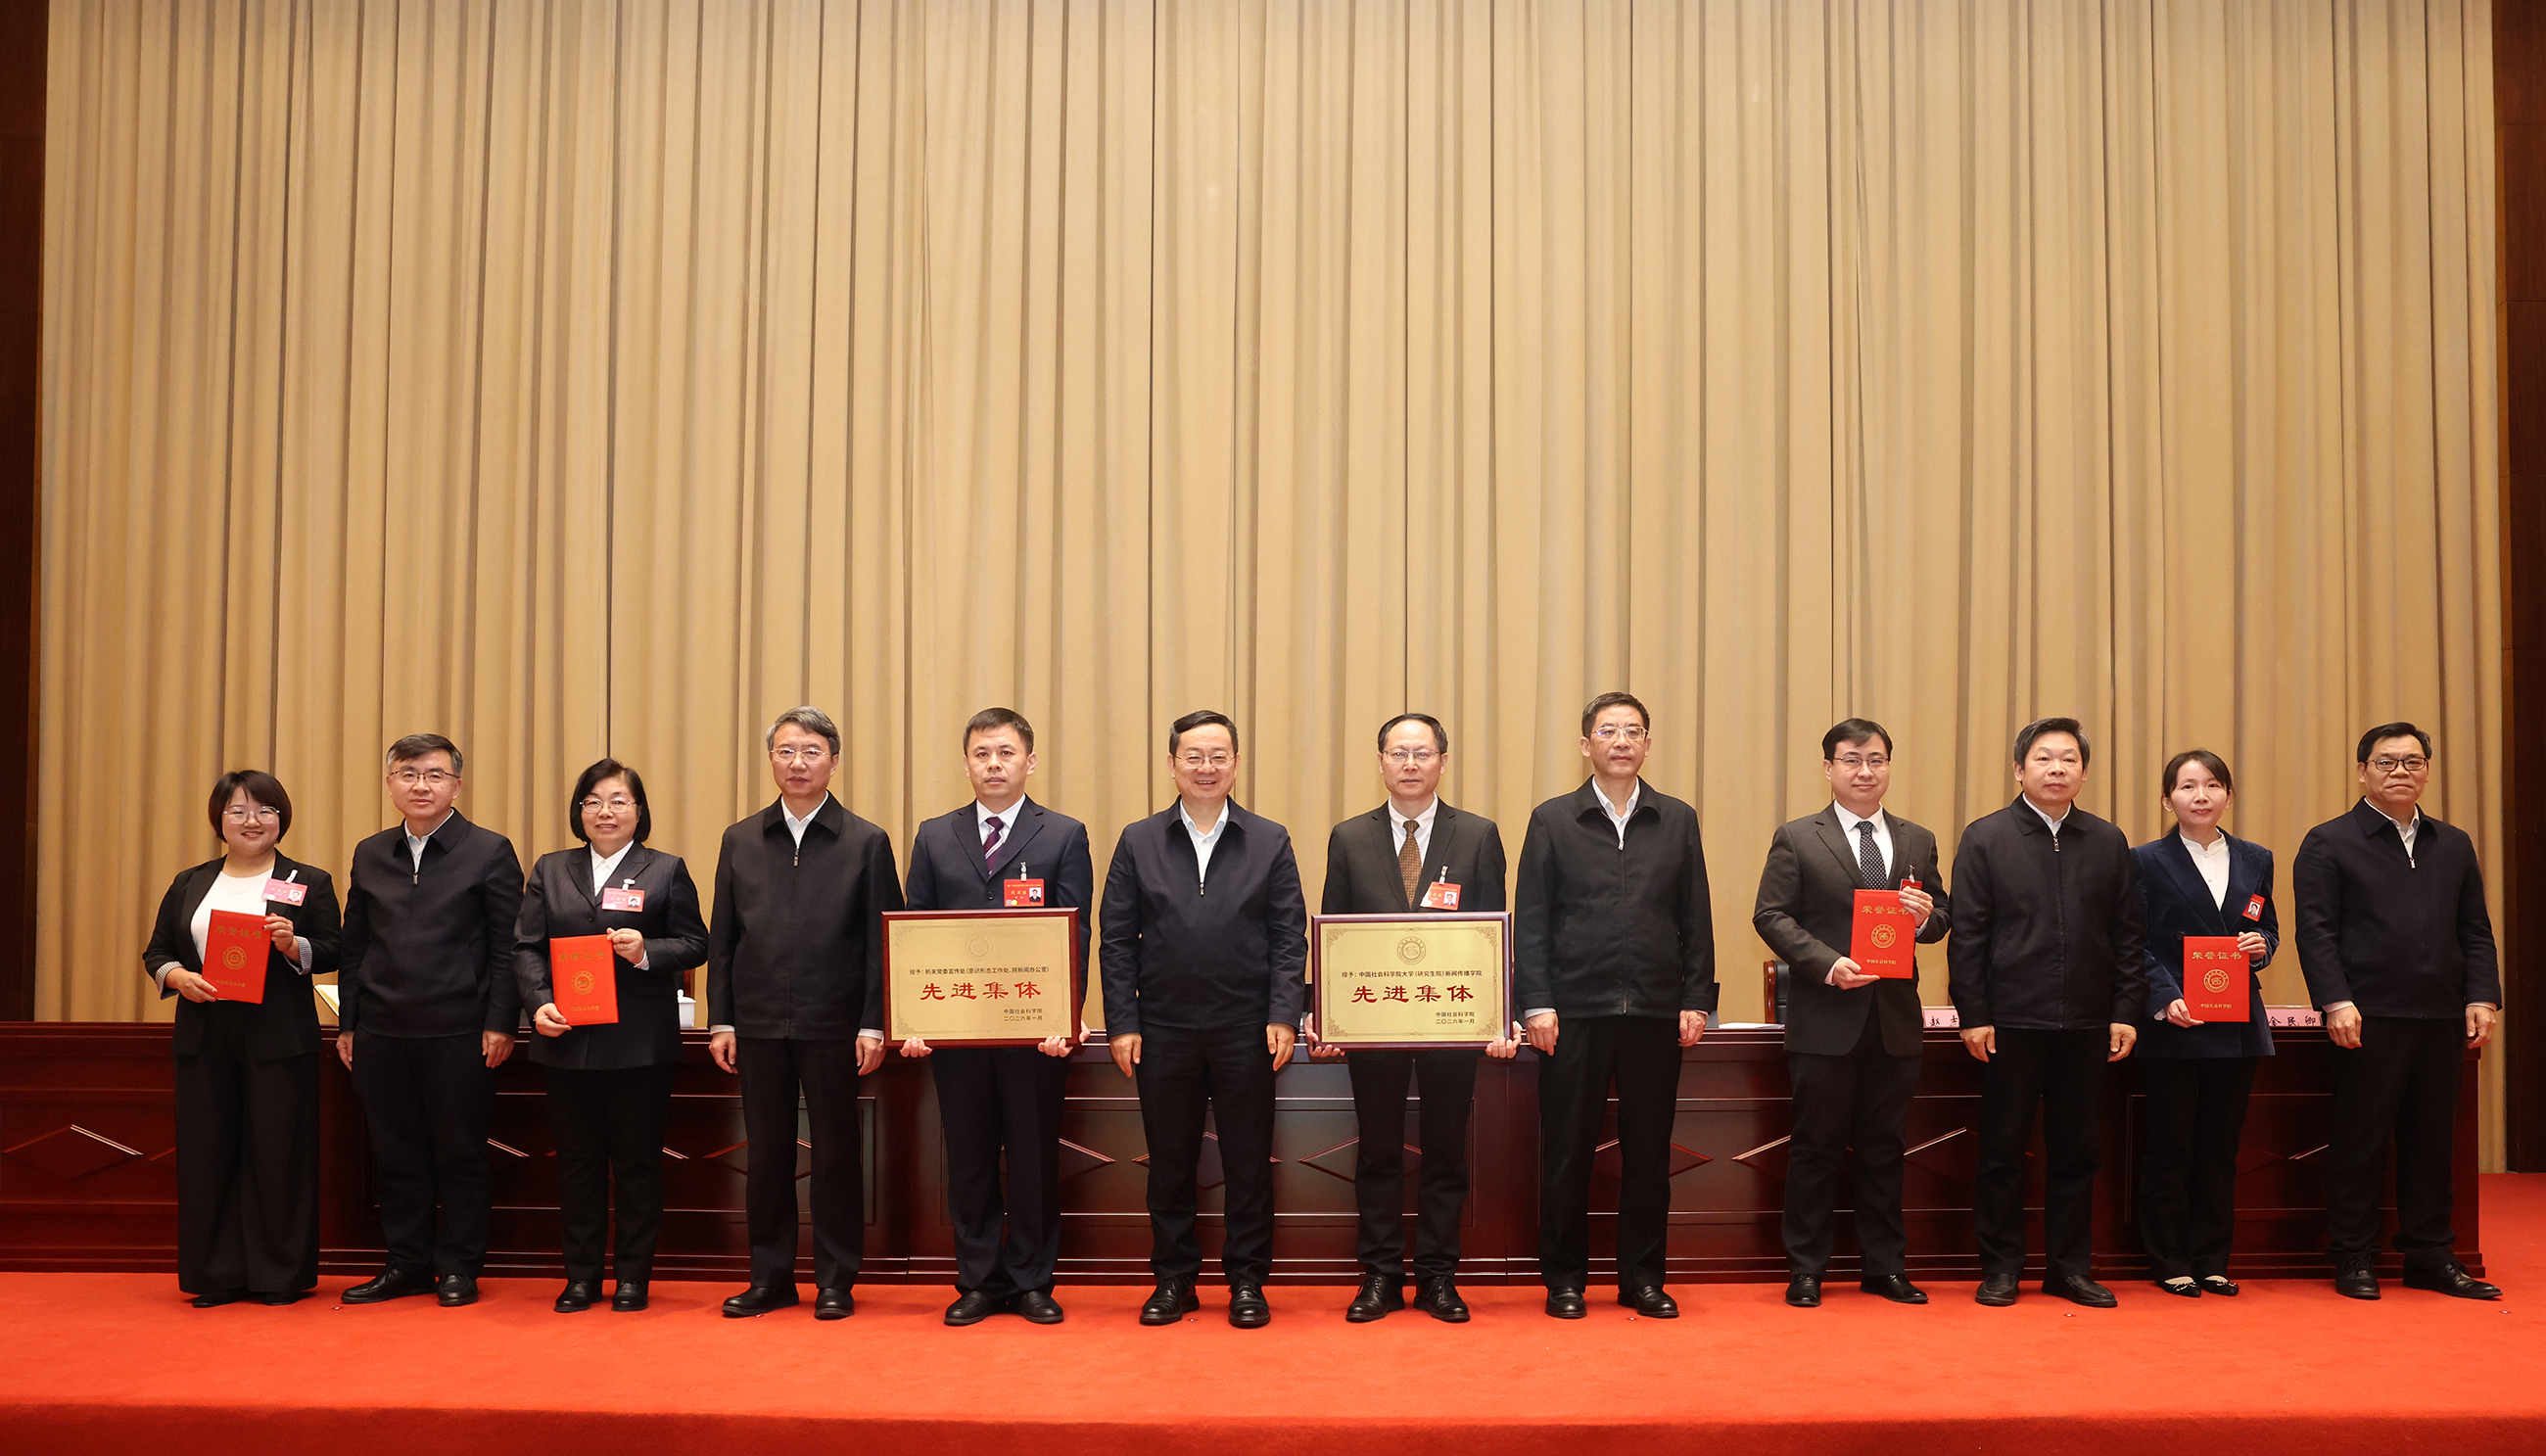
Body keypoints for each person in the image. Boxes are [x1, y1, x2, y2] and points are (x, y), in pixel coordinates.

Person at [1307, 712, 1517, 1324]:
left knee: (1446, 1151)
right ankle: (1379, 1275)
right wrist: (1324, 1015)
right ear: (1380, 762)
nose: (1409, 764)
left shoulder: (1477, 835)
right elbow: (1333, 934)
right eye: (1398, 753)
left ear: (1442, 762)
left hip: (1453, 1022)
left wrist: (1501, 1016)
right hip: (1374, 1025)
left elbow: (1497, 935)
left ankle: (1438, 1277)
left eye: (1422, 753)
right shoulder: (1350, 837)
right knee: (1377, 1151)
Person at [1100, 710, 1307, 1328]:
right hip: (1162, 1029)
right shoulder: (1139, 840)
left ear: (1236, 764)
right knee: (1169, 1162)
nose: (1206, 767)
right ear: (1172, 764)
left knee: (1248, 1161)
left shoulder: (1269, 839)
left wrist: (1284, 1013)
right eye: (1194, 756)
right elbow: (1117, 940)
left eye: (1219, 756)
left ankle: (1247, 1281)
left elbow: (1288, 936)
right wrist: (1122, 1021)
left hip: (1248, 1028)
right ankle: (1174, 1280)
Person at [1516, 691, 1717, 1320]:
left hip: (1655, 1013)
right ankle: (1564, 1281)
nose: (1621, 741)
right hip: (1572, 1014)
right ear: (1586, 745)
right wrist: (1535, 1003)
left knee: (1649, 1154)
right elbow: (1533, 920)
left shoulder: (1676, 819)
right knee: (1568, 1152)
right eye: (1608, 731)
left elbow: (1696, 915)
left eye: (1633, 731)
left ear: (1648, 745)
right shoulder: (1553, 819)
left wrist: (1697, 997)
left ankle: (1643, 1279)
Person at [899, 708, 1096, 1327]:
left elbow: (1077, 931)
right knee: (971, 1158)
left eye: (1006, 753)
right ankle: (979, 1281)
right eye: (982, 753)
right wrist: (911, 1017)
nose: (994, 764)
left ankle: (1033, 1280)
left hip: (1035, 1034)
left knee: (1033, 1159)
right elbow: (915, 931)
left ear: (1029, 762)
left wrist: (1066, 1012)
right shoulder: (935, 835)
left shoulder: (1063, 834)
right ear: (966, 763)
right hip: (957, 1032)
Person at [2292, 722, 2502, 1299]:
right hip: (2368, 1016)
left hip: (2441, 1015)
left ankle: (2430, 1255)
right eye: (2386, 762)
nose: (2400, 772)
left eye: (2412, 762)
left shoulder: (2452, 843)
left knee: (2432, 1142)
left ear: (2427, 771)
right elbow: (2316, 932)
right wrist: (2335, 1001)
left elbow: (2475, 929)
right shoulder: (2329, 841)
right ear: (2363, 771)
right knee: (2360, 1140)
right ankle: (2353, 1255)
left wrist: (2482, 995)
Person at [707, 706, 903, 1320]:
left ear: (834, 762)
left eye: (812, 751)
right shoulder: (741, 839)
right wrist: (722, 1019)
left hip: (835, 1025)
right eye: (786, 751)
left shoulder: (866, 841)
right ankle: (770, 1278)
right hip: (758, 1024)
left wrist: (874, 1022)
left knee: (836, 1154)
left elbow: (884, 942)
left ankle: (836, 1279)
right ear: (771, 760)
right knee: (766, 1155)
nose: (798, 763)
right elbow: (723, 939)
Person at [1948, 717, 2145, 1308]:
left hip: (2087, 1022)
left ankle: (2069, 1268)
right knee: (2002, 1149)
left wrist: (2125, 1010)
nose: (2056, 768)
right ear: (2019, 769)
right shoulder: (1986, 838)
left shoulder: (2107, 840)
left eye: (2068, 759)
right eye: (2043, 758)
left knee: (2078, 1152)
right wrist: (1973, 1013)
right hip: (2010, 1022)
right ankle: (2001, 1267)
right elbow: (1968, 936)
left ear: (2083, 772)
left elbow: (2128, 934)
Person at [1752, 718, 1949, 1308]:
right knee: (1815, 1148)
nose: (1866, 771)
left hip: (1894, 1021)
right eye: (1852, 760)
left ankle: (1884, 1267)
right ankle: (1806, 1269)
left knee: (1886, 1149)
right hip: (1825, 1019)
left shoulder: (1917, 839)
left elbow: (1942, 917)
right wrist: (1827, 962)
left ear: (1889, 766)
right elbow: (1771, 915)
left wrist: (1925, 918)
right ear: (1829, 768)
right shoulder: (1798, 837)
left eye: (1877, 760)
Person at [514, 758, 709, 1314]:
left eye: (619, 801)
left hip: (639, 1043)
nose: (606, 811)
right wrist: (538, 1001)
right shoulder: (551, 869)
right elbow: (526, 947)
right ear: (579, 811)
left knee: (637, 1161)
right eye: (594, 801)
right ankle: (580, 1277)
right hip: (566, 1037)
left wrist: (647, 951)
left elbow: (696, 943)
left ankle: (632, 1277)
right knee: (577, 1161)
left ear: (639, 812)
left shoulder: (665, 869)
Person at [337, 734, 524, 1308]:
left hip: (461, 1030)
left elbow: (508, 945)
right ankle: (407, 1264)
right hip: (381, 1031)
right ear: (390, 783)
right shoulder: (371, 852)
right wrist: (350, 1024)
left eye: (435, 775)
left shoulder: (489, 850)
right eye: (408, 774)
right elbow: (355, 944)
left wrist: (502, 1021)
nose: (421, 785)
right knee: (396, 1155)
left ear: (456, 786)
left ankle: (460, 1267)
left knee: (459, 1152)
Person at [141, 771, 340, 1307]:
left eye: (264, 810)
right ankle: (216, 1274)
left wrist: (294, 944)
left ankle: (279, 1275)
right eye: (238, 811)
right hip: (205, 1035)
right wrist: (177, 977)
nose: (252, 821)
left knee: (279, 1154)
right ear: (220, 820)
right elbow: (157, 951)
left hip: (280, 1037)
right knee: (207, 1155)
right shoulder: (191, 881)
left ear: (281, 819)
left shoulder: (307, 880)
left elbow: (336, 949)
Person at [2132, 749, 2277, 1297]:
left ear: (2228, 796)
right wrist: (2165, 996)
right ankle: (2168, 1257)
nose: (2201, 796)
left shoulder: (2256, 858)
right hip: (2175, 1020)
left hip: (2236, 1021)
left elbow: (2267, 927)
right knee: (2170, 1146)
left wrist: (2262, 947)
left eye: (2213, 785)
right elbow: (2133, 940)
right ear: (2167, 799)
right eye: (2188, 786)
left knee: (2220, 1147)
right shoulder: (2145, 860)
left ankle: (2213, 1257)